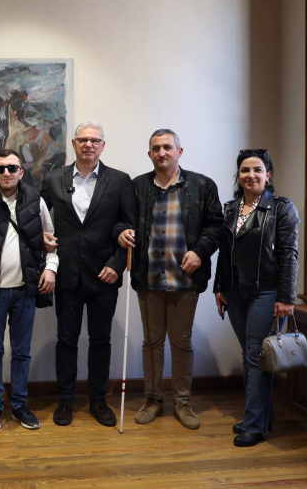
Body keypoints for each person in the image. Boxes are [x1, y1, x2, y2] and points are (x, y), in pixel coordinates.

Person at [116, 129, 223, 430]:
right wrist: (120, 232)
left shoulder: (202, 185)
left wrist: (200, 252)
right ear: (149, 154)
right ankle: (152, 399)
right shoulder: (137, 187)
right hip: (148, 277)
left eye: (167, 147)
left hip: (185, 279)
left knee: (181, 342)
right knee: (151, 342)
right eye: (156, 148)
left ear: (179, 151)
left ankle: (182, 402)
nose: (161, 152)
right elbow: (120, 220)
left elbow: (216, 226)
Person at [40, 121, 137, 427]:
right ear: (74, 144)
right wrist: (42, 237)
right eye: (83, 140)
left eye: (95, 140)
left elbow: (130, 227)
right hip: (66, 273)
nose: (88, 145)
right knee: (66, 341)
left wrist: (117, 264)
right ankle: (65, 400)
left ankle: (98, 400)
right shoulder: (53, 178)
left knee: (100, 341)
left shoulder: (119, 181)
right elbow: (37, 215)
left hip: (104, 274)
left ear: (103, 145)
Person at [214, 149, 299, 447]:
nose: (251, 175)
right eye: (245, 170)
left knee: (255, 355)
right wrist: (219, 286)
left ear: (268, 175)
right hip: (235, 290)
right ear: (238, 175)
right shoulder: (230, 208)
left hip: (267, 290)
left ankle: (254, 425)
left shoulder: (281, 208)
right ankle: (263, 415)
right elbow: (224, 253)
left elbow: (288, 255)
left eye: (257, 170)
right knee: (250, 355)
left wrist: (286, 298)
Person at [0, 149, 58, 432]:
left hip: (25, 291)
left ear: (21, 171)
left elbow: (52, 241)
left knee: (22, 353)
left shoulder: (35, 201)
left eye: (12, 168)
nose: (6, 173)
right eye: (0, 169)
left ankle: (20, 404)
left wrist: (51, 269)